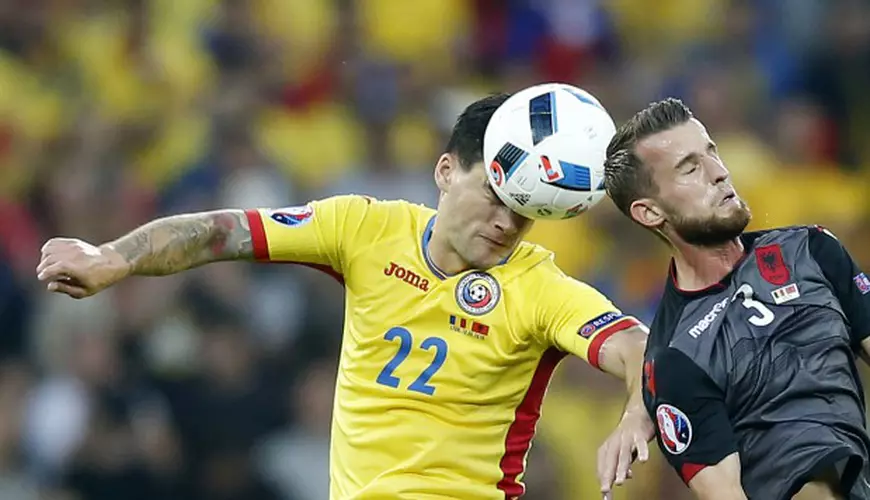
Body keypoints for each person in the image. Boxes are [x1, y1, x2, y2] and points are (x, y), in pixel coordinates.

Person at [37, 93, 653, 500]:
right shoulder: (365, 228)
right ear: (444, 172)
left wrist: (634, 408)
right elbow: (217, 232)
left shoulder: (538, 286)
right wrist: (114, 255)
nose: (506, 224)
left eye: (523, 212)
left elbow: (637, 347)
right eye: (495, 197)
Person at [602, 97, 870, 500]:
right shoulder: (676, 358)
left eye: (712, 153)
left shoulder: (811, 251)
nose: (720, 173)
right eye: (690, 168)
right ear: (649, 213)